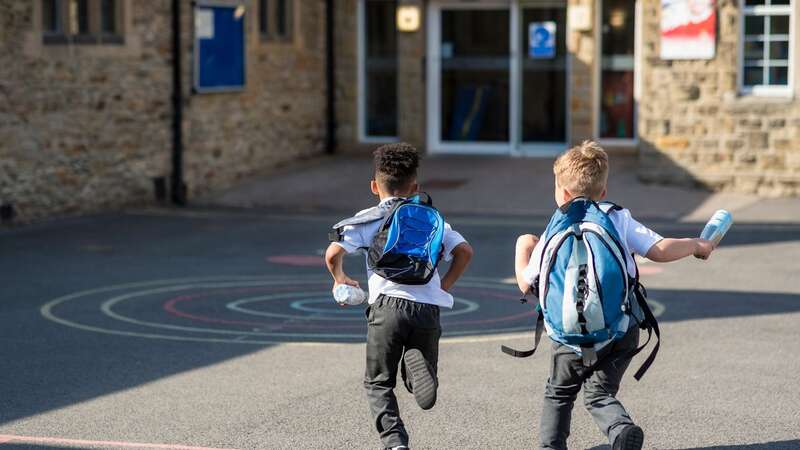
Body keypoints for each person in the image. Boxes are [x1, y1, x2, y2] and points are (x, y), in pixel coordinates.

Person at [513, 141, 715, 450]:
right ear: (603, 192)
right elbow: (658, 250)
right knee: (599, 394)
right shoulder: (616, 217)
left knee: (559, 392)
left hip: (568, 335)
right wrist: (696, 244)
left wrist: (523, 247)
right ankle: (620, 430)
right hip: (620, 328)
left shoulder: (557, 226)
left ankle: (551, 447)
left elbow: (527, 285)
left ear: (562, 194)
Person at [325, 143, 473, 450]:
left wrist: (340, 277)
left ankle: (395, 443)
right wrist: (443, 287)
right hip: (428, 309)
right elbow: (464, 252)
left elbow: (332, 253)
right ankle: (418, 362)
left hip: (386, 308)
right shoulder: (432, 218)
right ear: (416, 187)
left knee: (378, 381)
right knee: (418, 374)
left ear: (373, 187)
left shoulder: (369, 217)